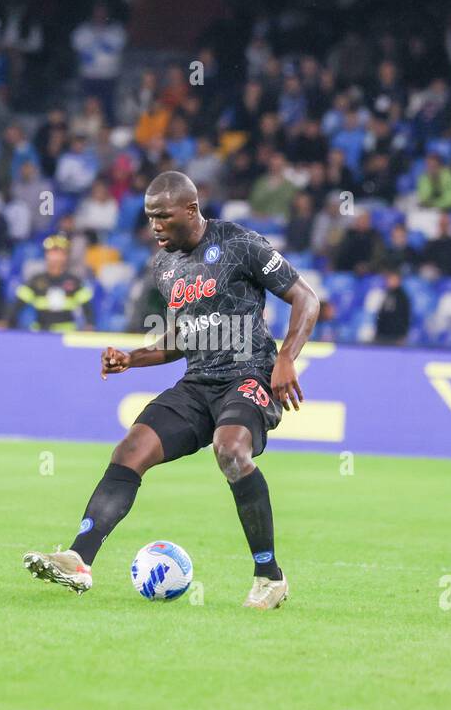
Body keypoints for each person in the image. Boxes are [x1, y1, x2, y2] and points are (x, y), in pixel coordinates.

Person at [23, 171, 319, 610]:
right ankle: (78, 560)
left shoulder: (240, 244)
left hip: (248, 375)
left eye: (163, 216)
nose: (155, 226)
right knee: (129, 450)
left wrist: (287, 357)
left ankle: (269, 576)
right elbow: (184, 336)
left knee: (231, 450)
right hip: (198, 383)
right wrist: (133, 357)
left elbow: (306, 299)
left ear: (191, 210)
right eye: (149, 218)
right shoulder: (164, 266)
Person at [6, 234, 94, 331]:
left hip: (67, 332)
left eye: (60, 252)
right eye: (52, 252)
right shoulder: (35, 280)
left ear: (66, 256)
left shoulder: (74, 281)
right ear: (46, 255)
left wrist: (89, 324)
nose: (55, 256)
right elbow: (17, 304)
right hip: (40, 332)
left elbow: (87, 308)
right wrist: (6, 321)